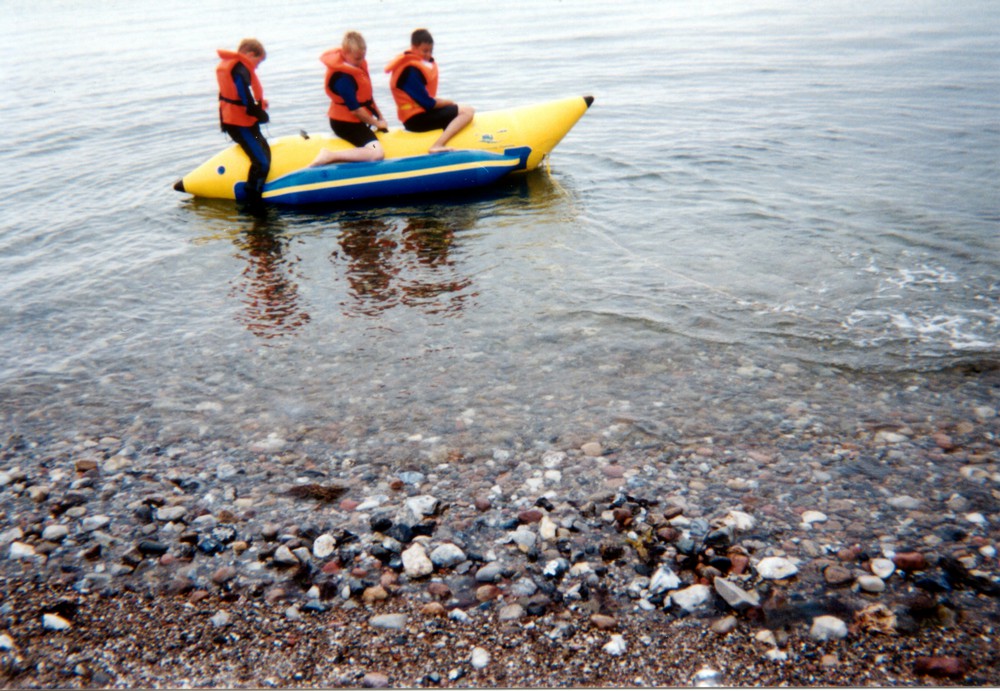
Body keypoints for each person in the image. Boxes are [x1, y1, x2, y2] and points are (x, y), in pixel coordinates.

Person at [384, 28, 474, 153]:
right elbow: (428, 104)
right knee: (467, 111)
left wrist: (448, 104)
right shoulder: (410, 72)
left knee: (458, 108)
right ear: (414, 47)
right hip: (416, 120)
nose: (428, 55)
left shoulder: (414, 66)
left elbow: (425, 101)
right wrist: (449, 102)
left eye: (430, 51)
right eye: (425, 51)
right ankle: (437, 145)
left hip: (419, 115)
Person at [310, 31, 389, 167]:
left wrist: (380, 118)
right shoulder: (343, 78)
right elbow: (356, 110)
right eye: (357, 58)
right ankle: (331, 155)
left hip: (358, 122)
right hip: (344, 124)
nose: (360, 62)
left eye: (363, 57)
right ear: (345, 53)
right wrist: (376, 123)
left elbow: (368, 98)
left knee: (373, 146)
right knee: (377, 152)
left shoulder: (357, 66)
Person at [216, 38, 270, 211]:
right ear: (250, 54)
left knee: (265, 149)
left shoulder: (236, 67)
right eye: (258, 62)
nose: (257, 67)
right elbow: (246, 99)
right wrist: (260, 114)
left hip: (245, 122)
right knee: (261, 163)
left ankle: (262, 187)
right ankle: (252, 202)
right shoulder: (240, 70)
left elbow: (245, 98)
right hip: (238, 125)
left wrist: (259, 109)